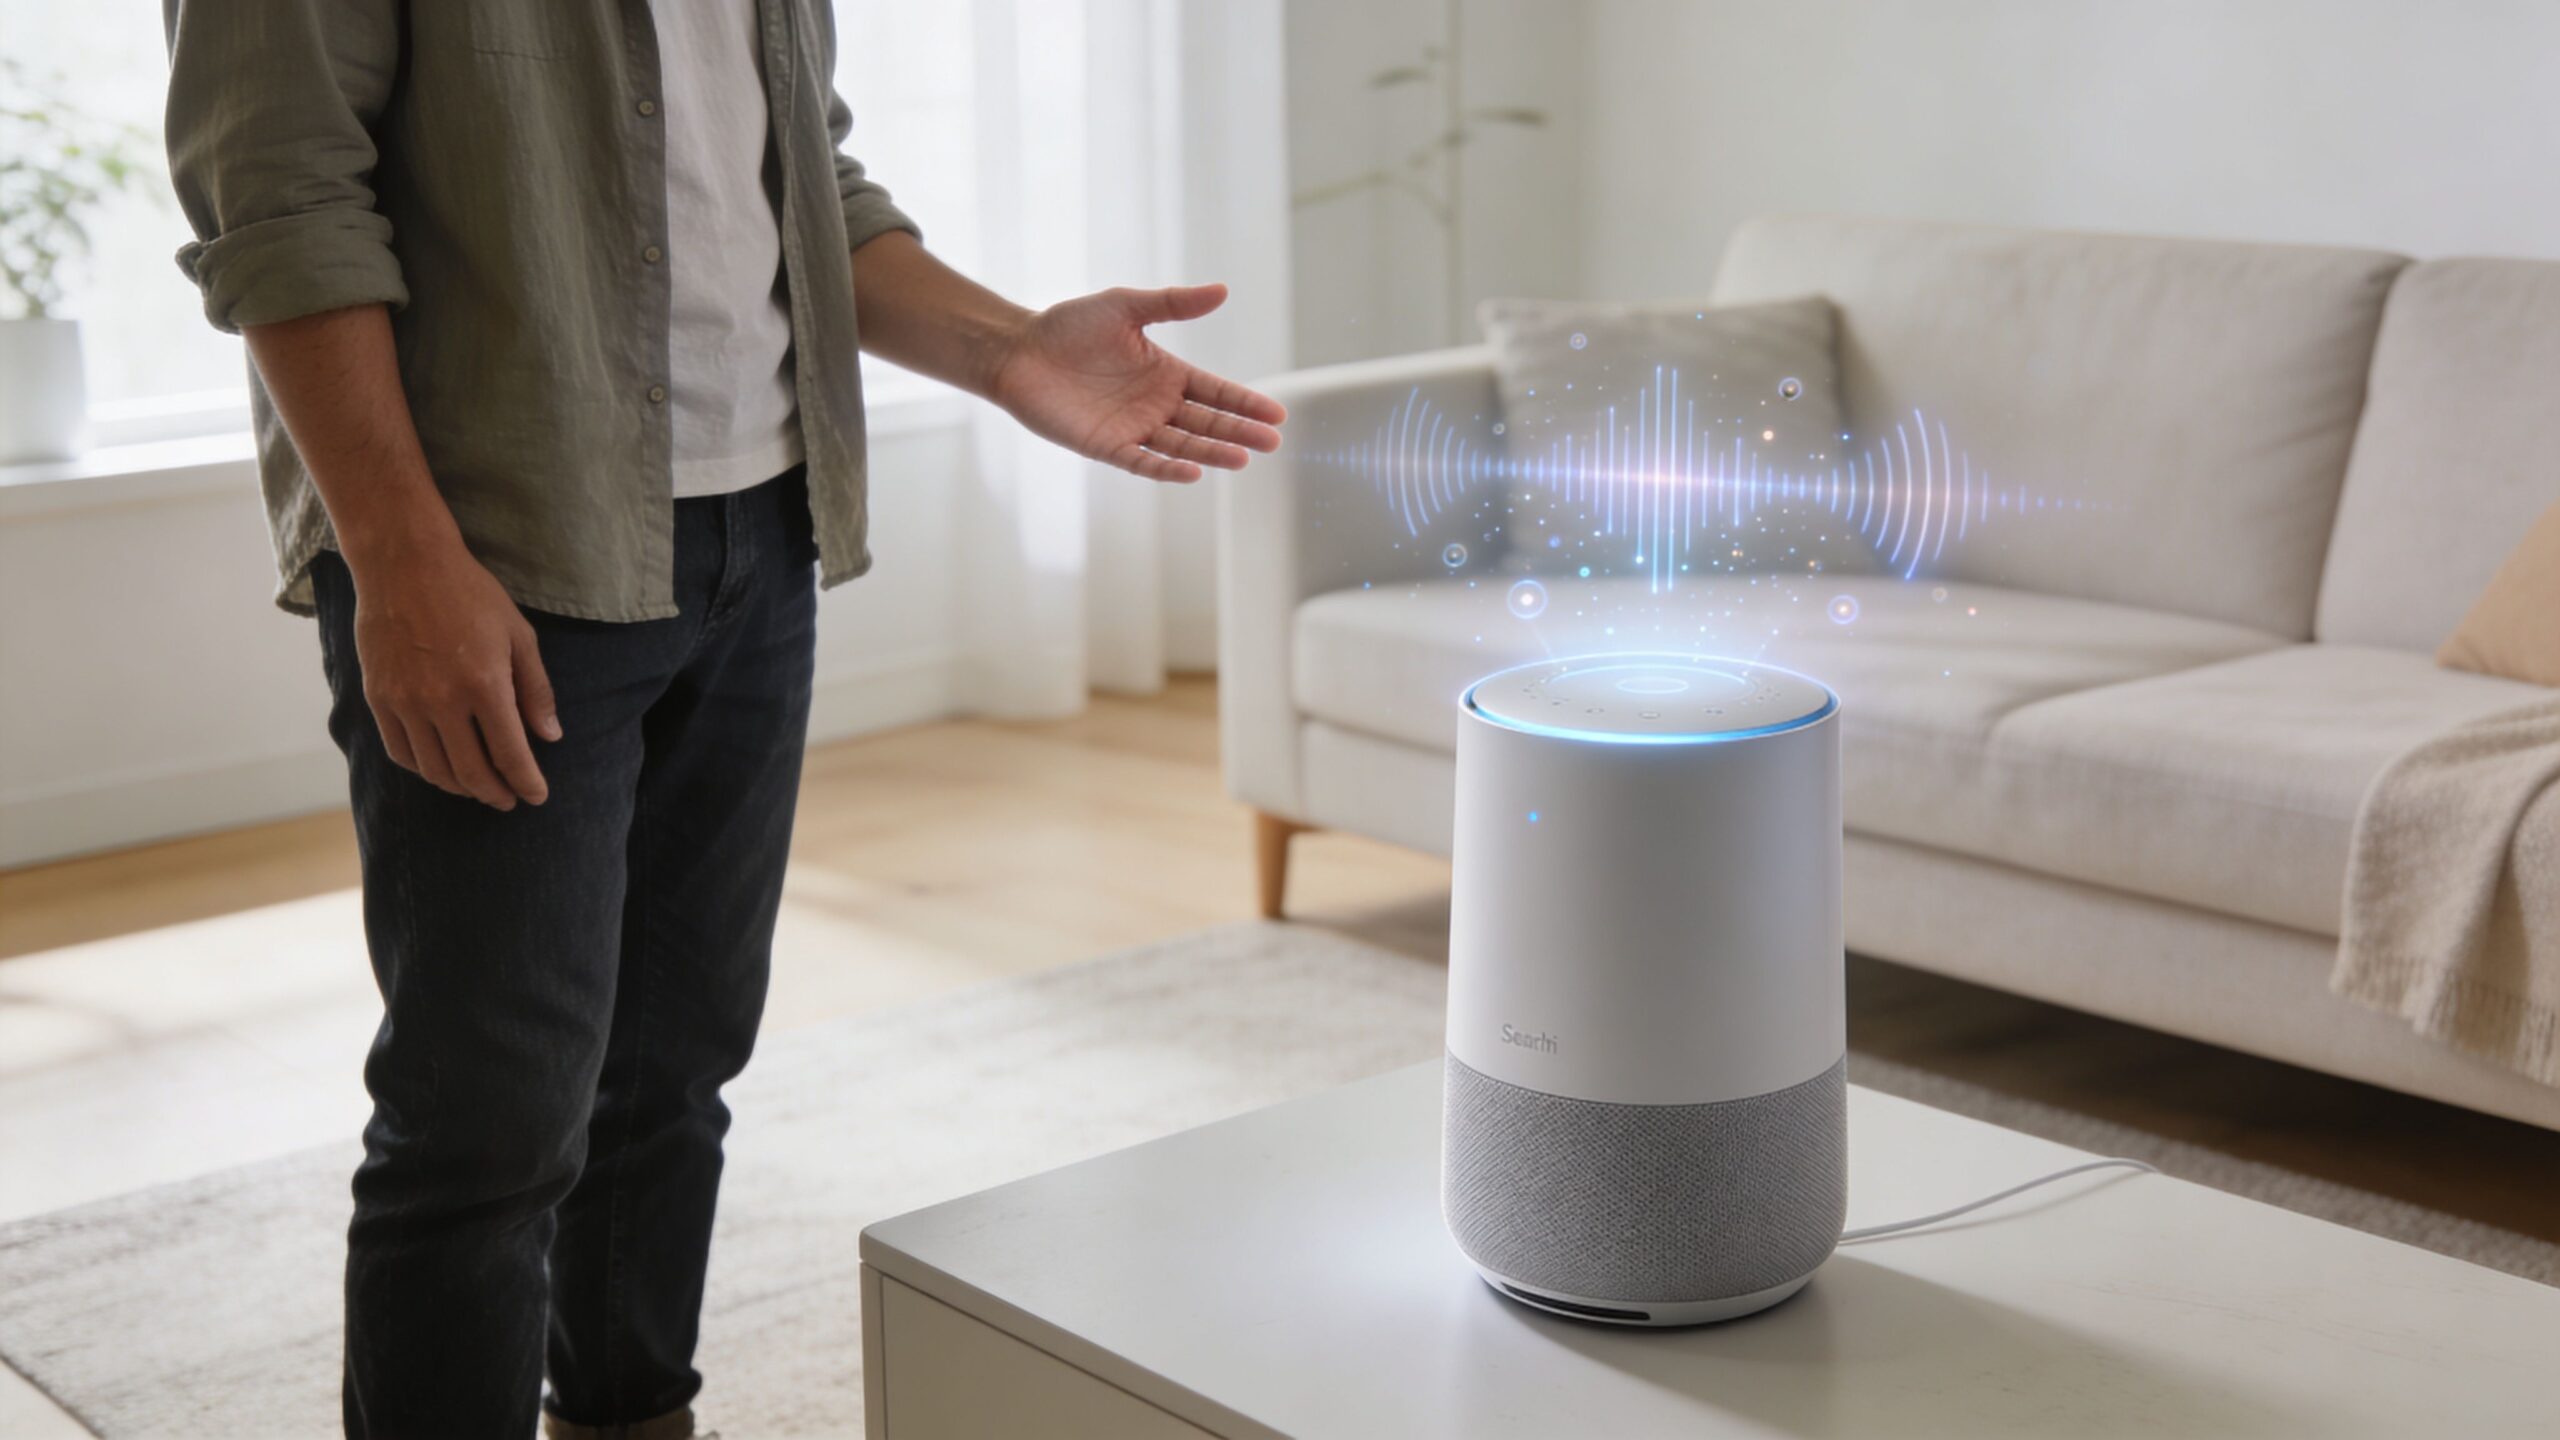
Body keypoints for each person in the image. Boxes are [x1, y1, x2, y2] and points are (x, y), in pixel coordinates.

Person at [162, 3, 1284, 1435]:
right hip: (503, 548)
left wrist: (1010, 351)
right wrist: (397, 560)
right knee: (488, 1122)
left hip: (765, 529)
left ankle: (631, 1416)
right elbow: (282, 201)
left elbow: (805, 176)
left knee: (672, 1069)